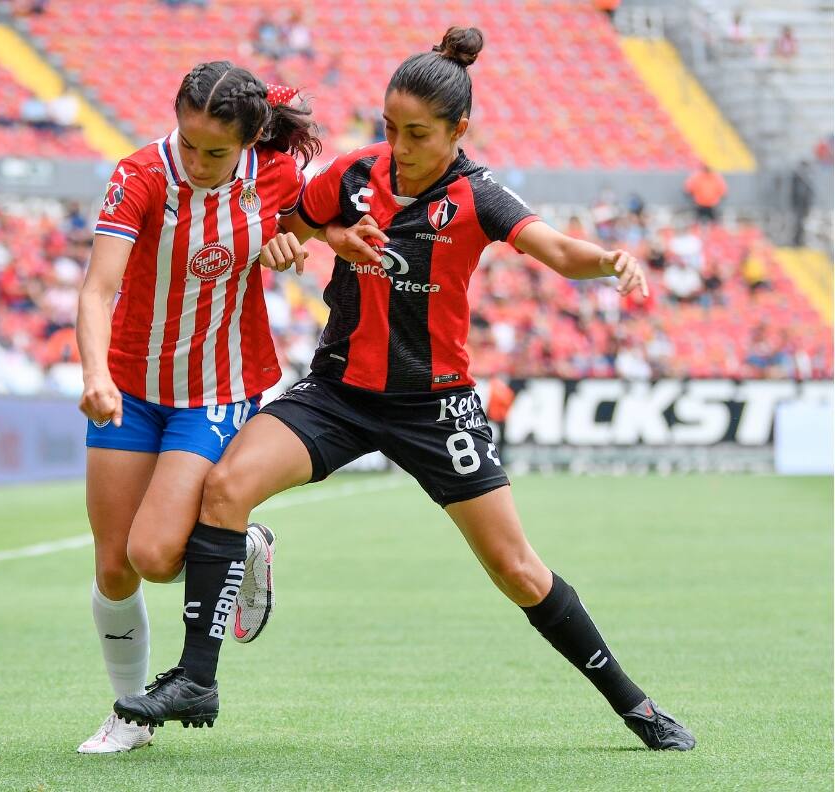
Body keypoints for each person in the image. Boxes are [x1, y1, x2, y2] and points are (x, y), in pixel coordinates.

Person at [117, 27, 696, 752]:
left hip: (435, 406)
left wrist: (609, 260)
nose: (400, 144)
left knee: (517, 570)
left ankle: (636, 707)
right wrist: (298, 241)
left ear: (459, 130)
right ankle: (196, 678)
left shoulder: (478, 197)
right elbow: (290, 224)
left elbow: (553, 248)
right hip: (337, 393)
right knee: (226, 489)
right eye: (390, 128)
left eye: (417, 133)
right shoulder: (357, 173)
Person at [74, 62, 320, 753]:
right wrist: (95, 374)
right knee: (114, 565)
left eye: (217, 152)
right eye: (189, 145)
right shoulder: (139, 175)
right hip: (127, 386)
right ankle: (130, 713)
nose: (200, 163)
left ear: (250, 141)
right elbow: (98, 291)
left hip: (218, 387)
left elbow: (310, 233)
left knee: (154, 554)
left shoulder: (275, 179)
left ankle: (234, 545)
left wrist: (290, 245)